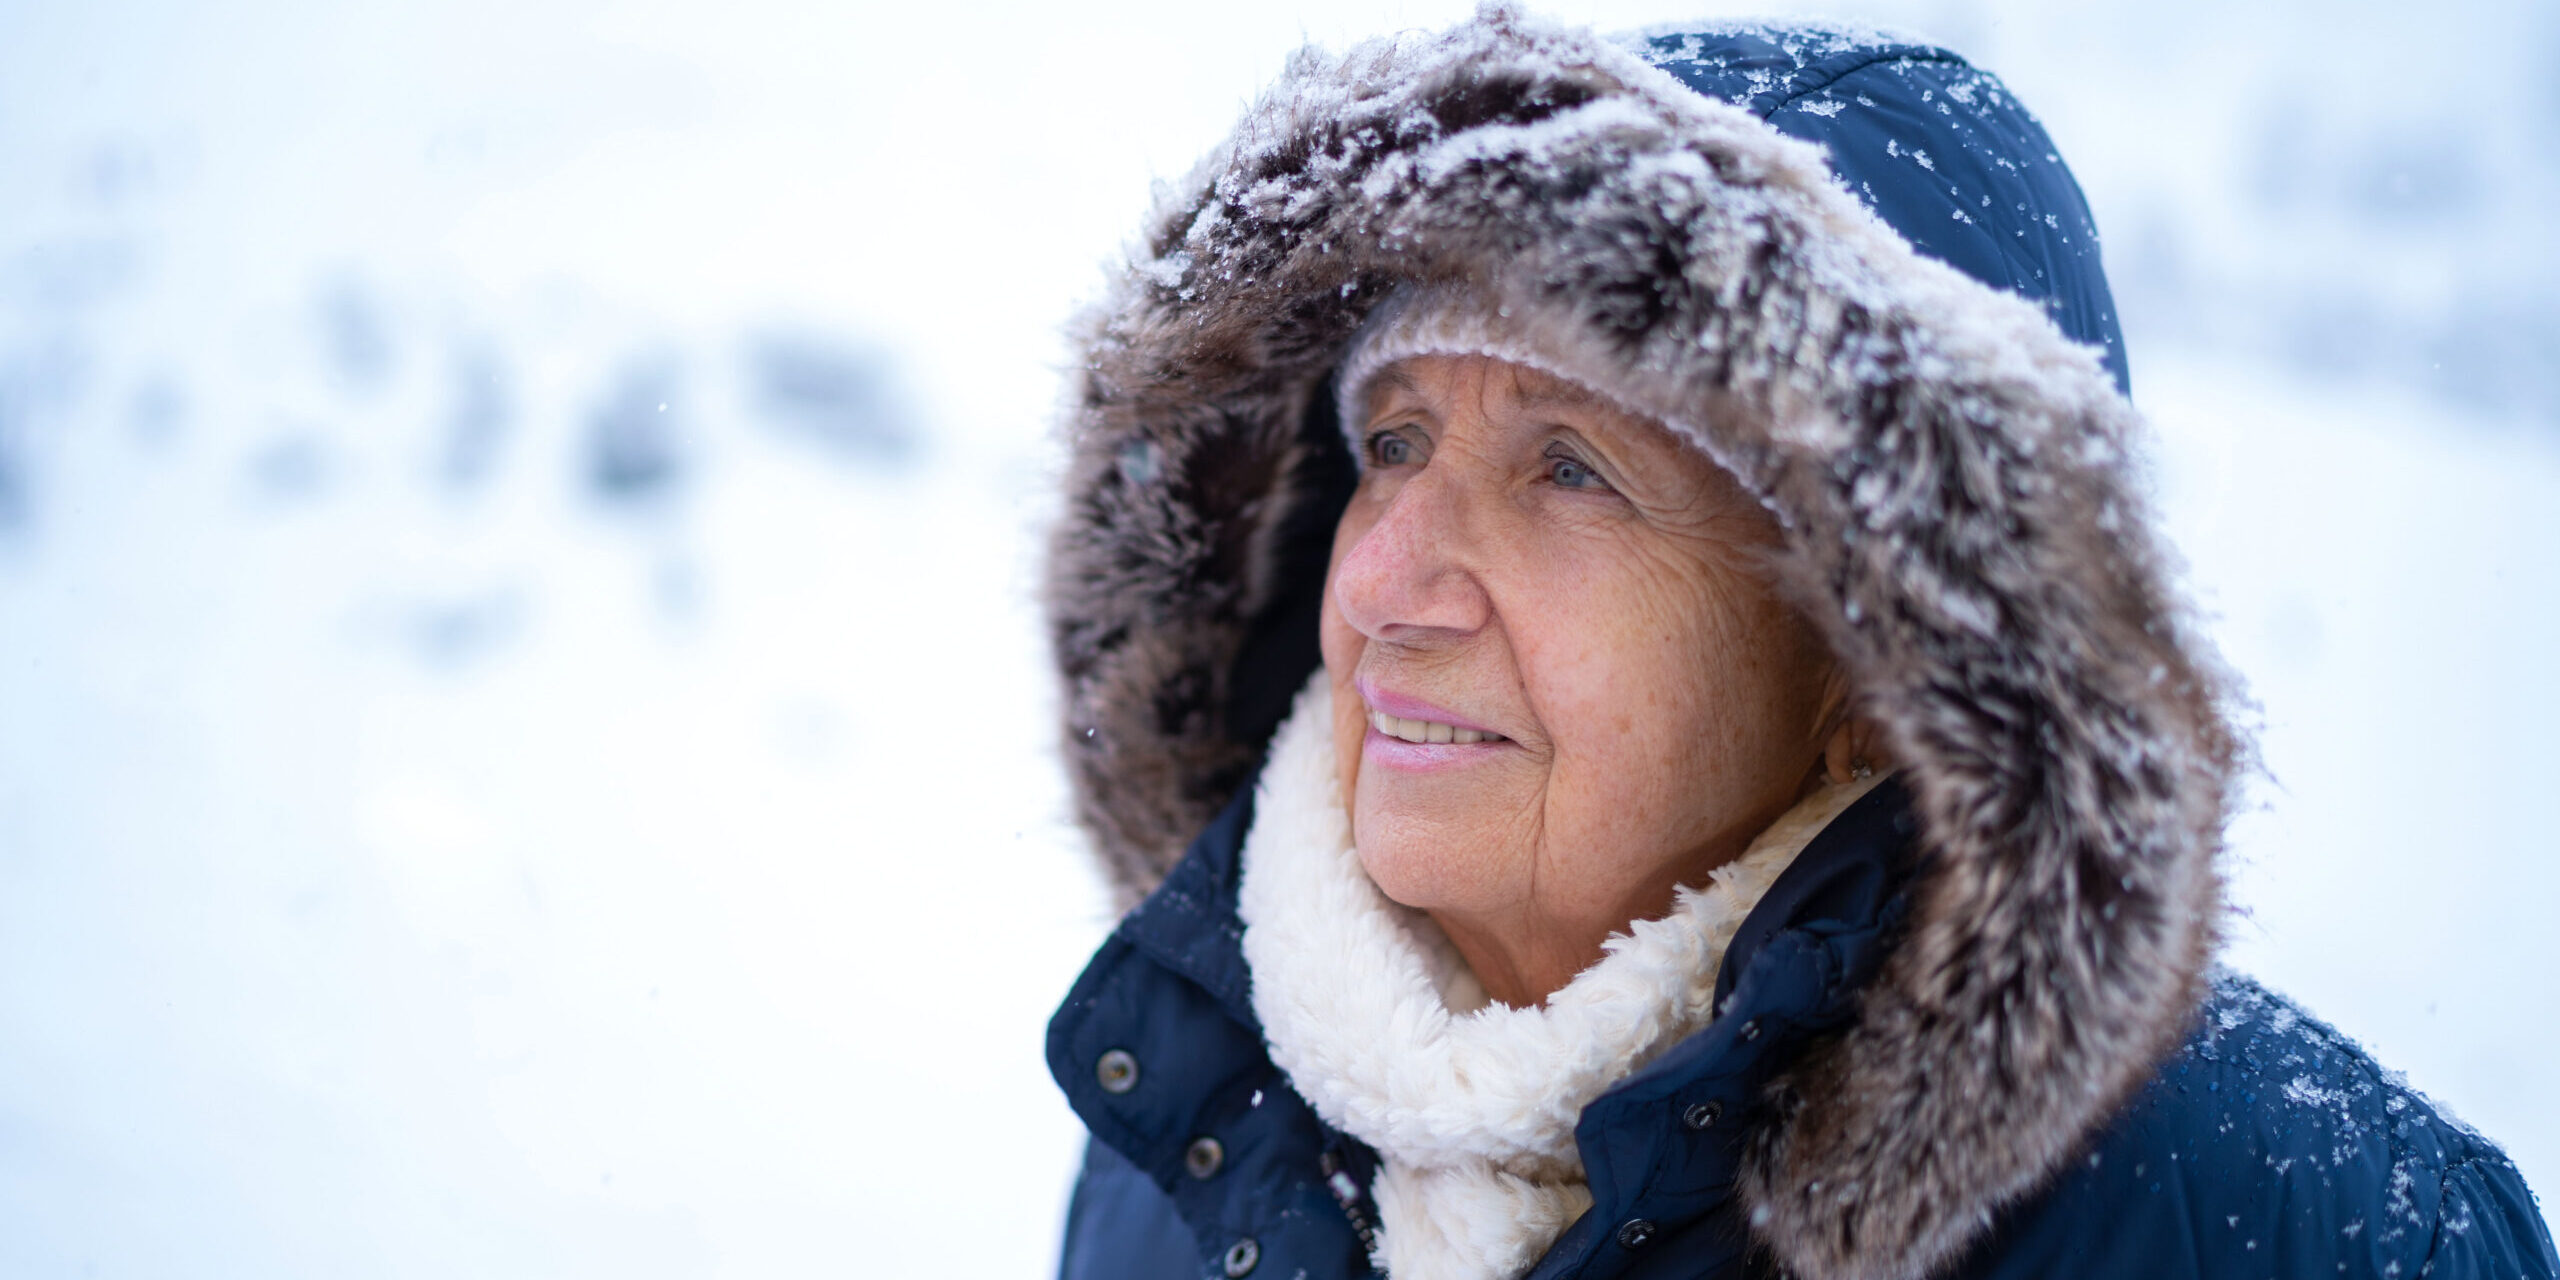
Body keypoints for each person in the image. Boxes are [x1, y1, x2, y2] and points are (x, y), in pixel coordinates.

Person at [1040, 9, 2559, 1279]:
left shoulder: (2303, 1230)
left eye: (1572, 468)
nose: (1383, 580)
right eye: (1394, 440)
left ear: (1879, 669)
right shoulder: (1194, 1137)